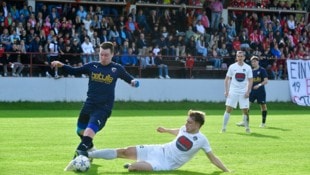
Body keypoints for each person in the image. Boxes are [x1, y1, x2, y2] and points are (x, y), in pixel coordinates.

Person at [50, 42, 140, 171]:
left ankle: (78, 157)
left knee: (88, 132)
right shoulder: (92, 66)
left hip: (103, 108)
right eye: (101, 54)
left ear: (112, 54)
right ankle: (91, 149)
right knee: (80, 131)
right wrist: (62, 65)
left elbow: (128, 78)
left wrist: (133, 82)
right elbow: (75, 71)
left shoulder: (117, 68)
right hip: (89, 104)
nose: (103, 57)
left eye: (106, 55)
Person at [86, 110, 231, 172]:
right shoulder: (184, 129)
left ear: (198, 125)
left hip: (164, 164)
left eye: (190, 123)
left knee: (132, 168)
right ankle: (89, 154)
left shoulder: (202, 140)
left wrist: (226, 170)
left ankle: (133, 165)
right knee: (124, 151)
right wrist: (166, 130)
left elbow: (213, 158)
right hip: (157, 149)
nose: (186, 124)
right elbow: (178, 132)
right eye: (186, 121)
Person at [221, 51, 253, 133]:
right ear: (236, 57)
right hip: (233, 91)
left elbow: (250, 80)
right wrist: (227, 91)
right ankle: (223, 128)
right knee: (228, 109)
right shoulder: (232, 67)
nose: (240, 58)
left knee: (245, 110)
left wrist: (248, 91)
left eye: (241, 56)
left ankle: (247, 128)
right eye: (238, 56)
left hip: (243, 92)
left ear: (244, 57)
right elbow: (226, 79)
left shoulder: (248, 67)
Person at [236, 56, 268, 128]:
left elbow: (266, 81)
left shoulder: (262, 70)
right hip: (252, 91)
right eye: (252, 61)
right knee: (246, 106)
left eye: (255, 61)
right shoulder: (250, 71)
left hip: (260, 91)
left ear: (258, 62)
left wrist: (259, 85)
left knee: (263, 106)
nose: (253, 63)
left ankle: (263, 123)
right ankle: (244, 121)